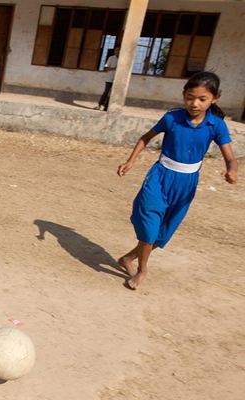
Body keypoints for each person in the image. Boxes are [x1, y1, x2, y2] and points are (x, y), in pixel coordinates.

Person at [117, 71, 238, 290]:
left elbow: (230, 158)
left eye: (202, 99)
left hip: (186, 185)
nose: (195, 104)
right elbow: (146, 138)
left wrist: (232, 171)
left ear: (215, 98)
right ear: (183, 96)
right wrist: (130, 161)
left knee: (162, 233)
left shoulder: (217, 125)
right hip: (160, 177)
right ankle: (143, 270)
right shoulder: (172, 118)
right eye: (190, 97)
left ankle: (127, 259)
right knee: (149, 226)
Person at [95, 45, 119, 111]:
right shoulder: (111, 58)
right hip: (109, 78)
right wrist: (114, 68)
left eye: (118, 50)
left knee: (112, 94)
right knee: (106, 92)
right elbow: (106, 68)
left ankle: (106, 107)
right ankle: (99, 105)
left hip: (117, 80)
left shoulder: (122, 59)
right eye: (116, 50)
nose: (117, 52)